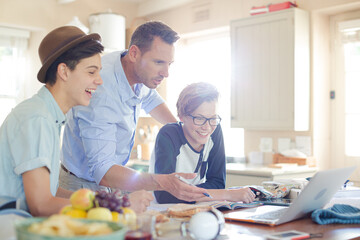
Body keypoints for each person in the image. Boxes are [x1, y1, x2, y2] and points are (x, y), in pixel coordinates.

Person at [60, 21, 208, 205]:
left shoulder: (133, 69)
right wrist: (163, 182)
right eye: (159, 62)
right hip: (81, 185)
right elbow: (103, 171)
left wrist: (182, 131)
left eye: (169, 63)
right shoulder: (101, 93)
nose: (166, 72)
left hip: (111, 182)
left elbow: (150, 99)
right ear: (134, 53)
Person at [0, 26, 104, 216]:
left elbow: (51, 191)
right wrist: (111, 208)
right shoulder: (36, 118)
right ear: (64, 71)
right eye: (91, 72)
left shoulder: (48, 116)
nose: (99, 80)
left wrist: (98, 200)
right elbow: (40, 205)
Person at [149, 82, 256, 204]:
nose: (207, 127)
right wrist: (227, 194)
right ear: (181, 116)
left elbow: (217, 182)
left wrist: (187, 192)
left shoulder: (215, 130)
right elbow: (165, 195)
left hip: (195, 208)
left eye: (212, 118)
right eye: (199, 118)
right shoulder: (168, 134)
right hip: (161, 212)